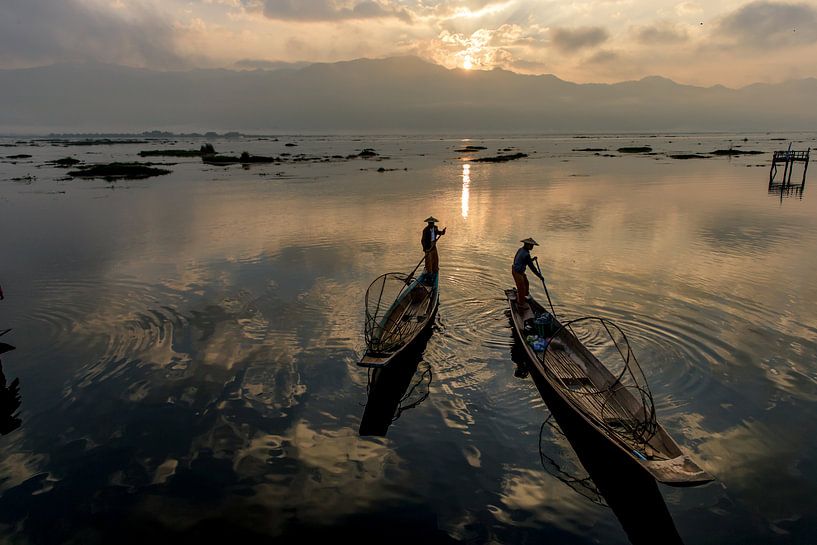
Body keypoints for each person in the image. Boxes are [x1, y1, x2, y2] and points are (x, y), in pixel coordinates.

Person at [512, 237, 543, 309]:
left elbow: (524, 261)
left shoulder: (521, 250)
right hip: (517, 272)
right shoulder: (526, 254)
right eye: (531, 246)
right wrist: (540, 276)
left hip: (518, 270)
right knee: (522, 288)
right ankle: (521, 305)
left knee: (526, 284)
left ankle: (521, 297)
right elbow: (532, 268)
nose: (532, 247)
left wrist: (532, 259)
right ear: (527, 245)